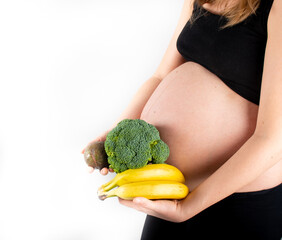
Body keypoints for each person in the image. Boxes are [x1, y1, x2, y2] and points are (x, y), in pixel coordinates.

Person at [83, 0, 282, 239]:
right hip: (174, 190)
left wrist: (187, 208)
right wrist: (118, 129)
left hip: (239, 204)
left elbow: (273, 139)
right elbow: (160, 75)